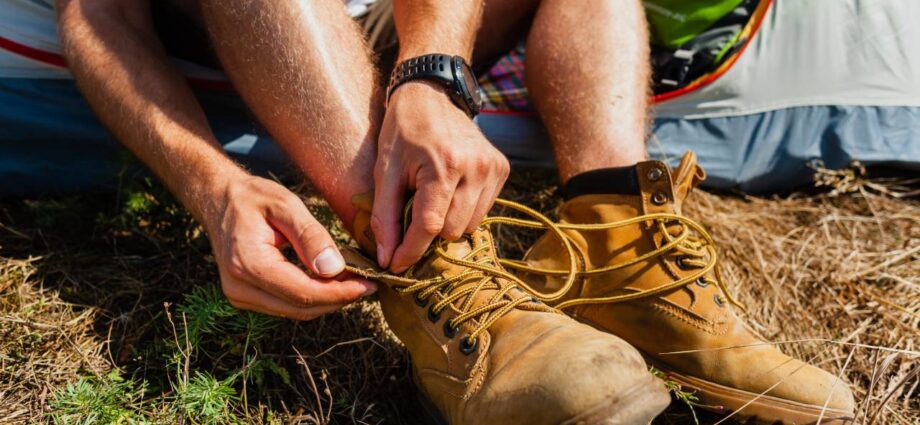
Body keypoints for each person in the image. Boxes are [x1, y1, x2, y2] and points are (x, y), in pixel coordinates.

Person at [55, 0, 854, 423]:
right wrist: (211, 185)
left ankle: (621, 252)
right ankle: (430, 267)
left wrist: (430, 71)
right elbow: (99, 13)